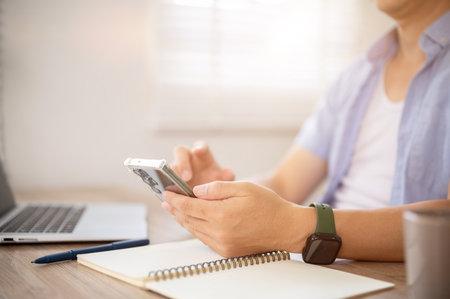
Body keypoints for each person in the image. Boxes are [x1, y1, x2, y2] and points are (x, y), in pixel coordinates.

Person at [161, 0, 450, 261]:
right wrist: (218, 196)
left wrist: (298, 227)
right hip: (320, 265)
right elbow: (285, 183)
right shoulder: (357, 76)